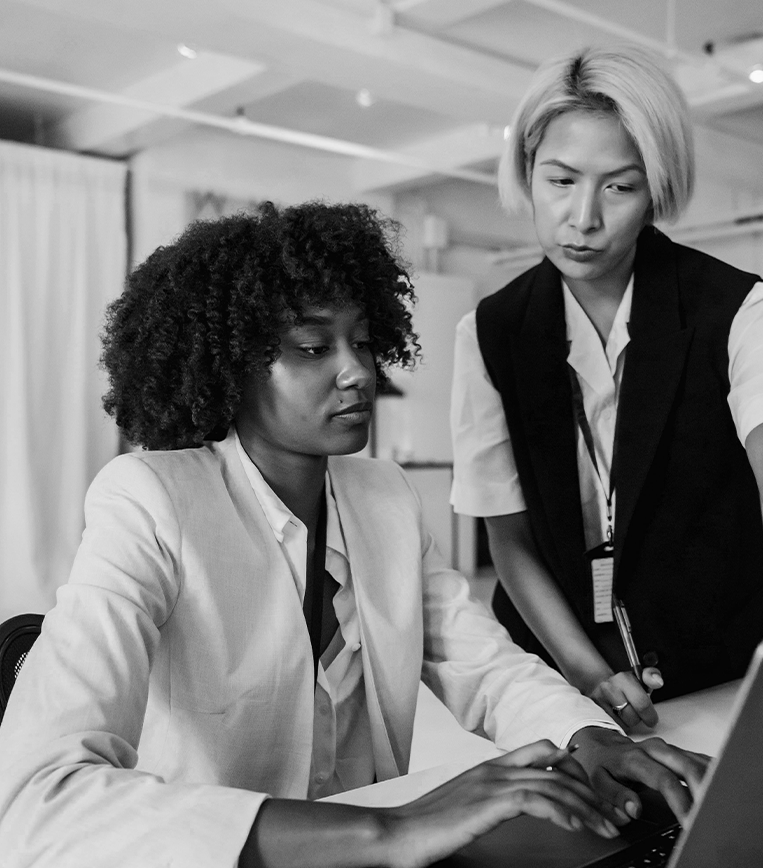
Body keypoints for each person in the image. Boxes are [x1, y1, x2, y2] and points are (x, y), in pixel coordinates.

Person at [0, 201, 708, 868]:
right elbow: (38, 801)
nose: (356, 371)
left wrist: (590, 739)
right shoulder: (151, 499)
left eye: (364, 342)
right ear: (228, 364)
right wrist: (390, 828)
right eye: (313, 346)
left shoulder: (384, 497)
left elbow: (485, 667)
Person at [450, 45, 763, 732]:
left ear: (656, 189)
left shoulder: (734, 305)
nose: (583, 218)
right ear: (527, 173)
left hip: (710, 668)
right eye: (561, 180)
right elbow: (508, 539)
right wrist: (588, 675)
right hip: (552, 678)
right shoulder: (489, 332)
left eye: (618, 186)